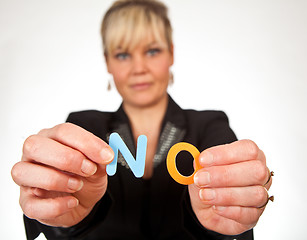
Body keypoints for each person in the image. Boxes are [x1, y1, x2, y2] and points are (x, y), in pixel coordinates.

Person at [11, 0, 273, 239]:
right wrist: (58, 213)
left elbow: (235, 225)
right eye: (123, 54)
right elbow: (57, 222)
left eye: (152, 51)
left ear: (171, 53)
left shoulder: (209, 127)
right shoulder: (83, 128)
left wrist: (230, 213)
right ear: (108, 63)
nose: (139, 68)